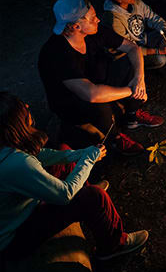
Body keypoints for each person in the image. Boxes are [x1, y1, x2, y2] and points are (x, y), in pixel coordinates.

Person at [0, 92, 149, 261]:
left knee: (64, 153)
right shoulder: (16, 164)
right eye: (22, 110)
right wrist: (88, 158)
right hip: (14, 237)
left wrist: (78, 154)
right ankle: (113, 245)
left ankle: (85, 192)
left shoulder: (6, 144)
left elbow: (39, 155)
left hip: (17, 211)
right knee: (95, 198)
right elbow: (65, 194)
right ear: (14, 124)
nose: (27, 107)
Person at [38, 0, 164, 155]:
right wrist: (134, 91)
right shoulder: (57, 53)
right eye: (92, 19)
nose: (97, 20)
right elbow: (92, 94)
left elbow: (133, 48)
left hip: (97, 81)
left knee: (127, 63)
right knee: (99, 104)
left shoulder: (93, 32)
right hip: (73, 100)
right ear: (77, 26)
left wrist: (139, 80)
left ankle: (132, 115)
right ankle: (114, 138)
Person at [102, 0, 166, 70]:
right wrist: (158, 51)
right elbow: (129, 48)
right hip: (126, 53)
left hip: (141, 39)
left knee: (165, 36)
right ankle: (135, 70)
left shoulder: (135, 2)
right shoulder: (113, 19)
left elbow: (154, 19)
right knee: (160, 59)